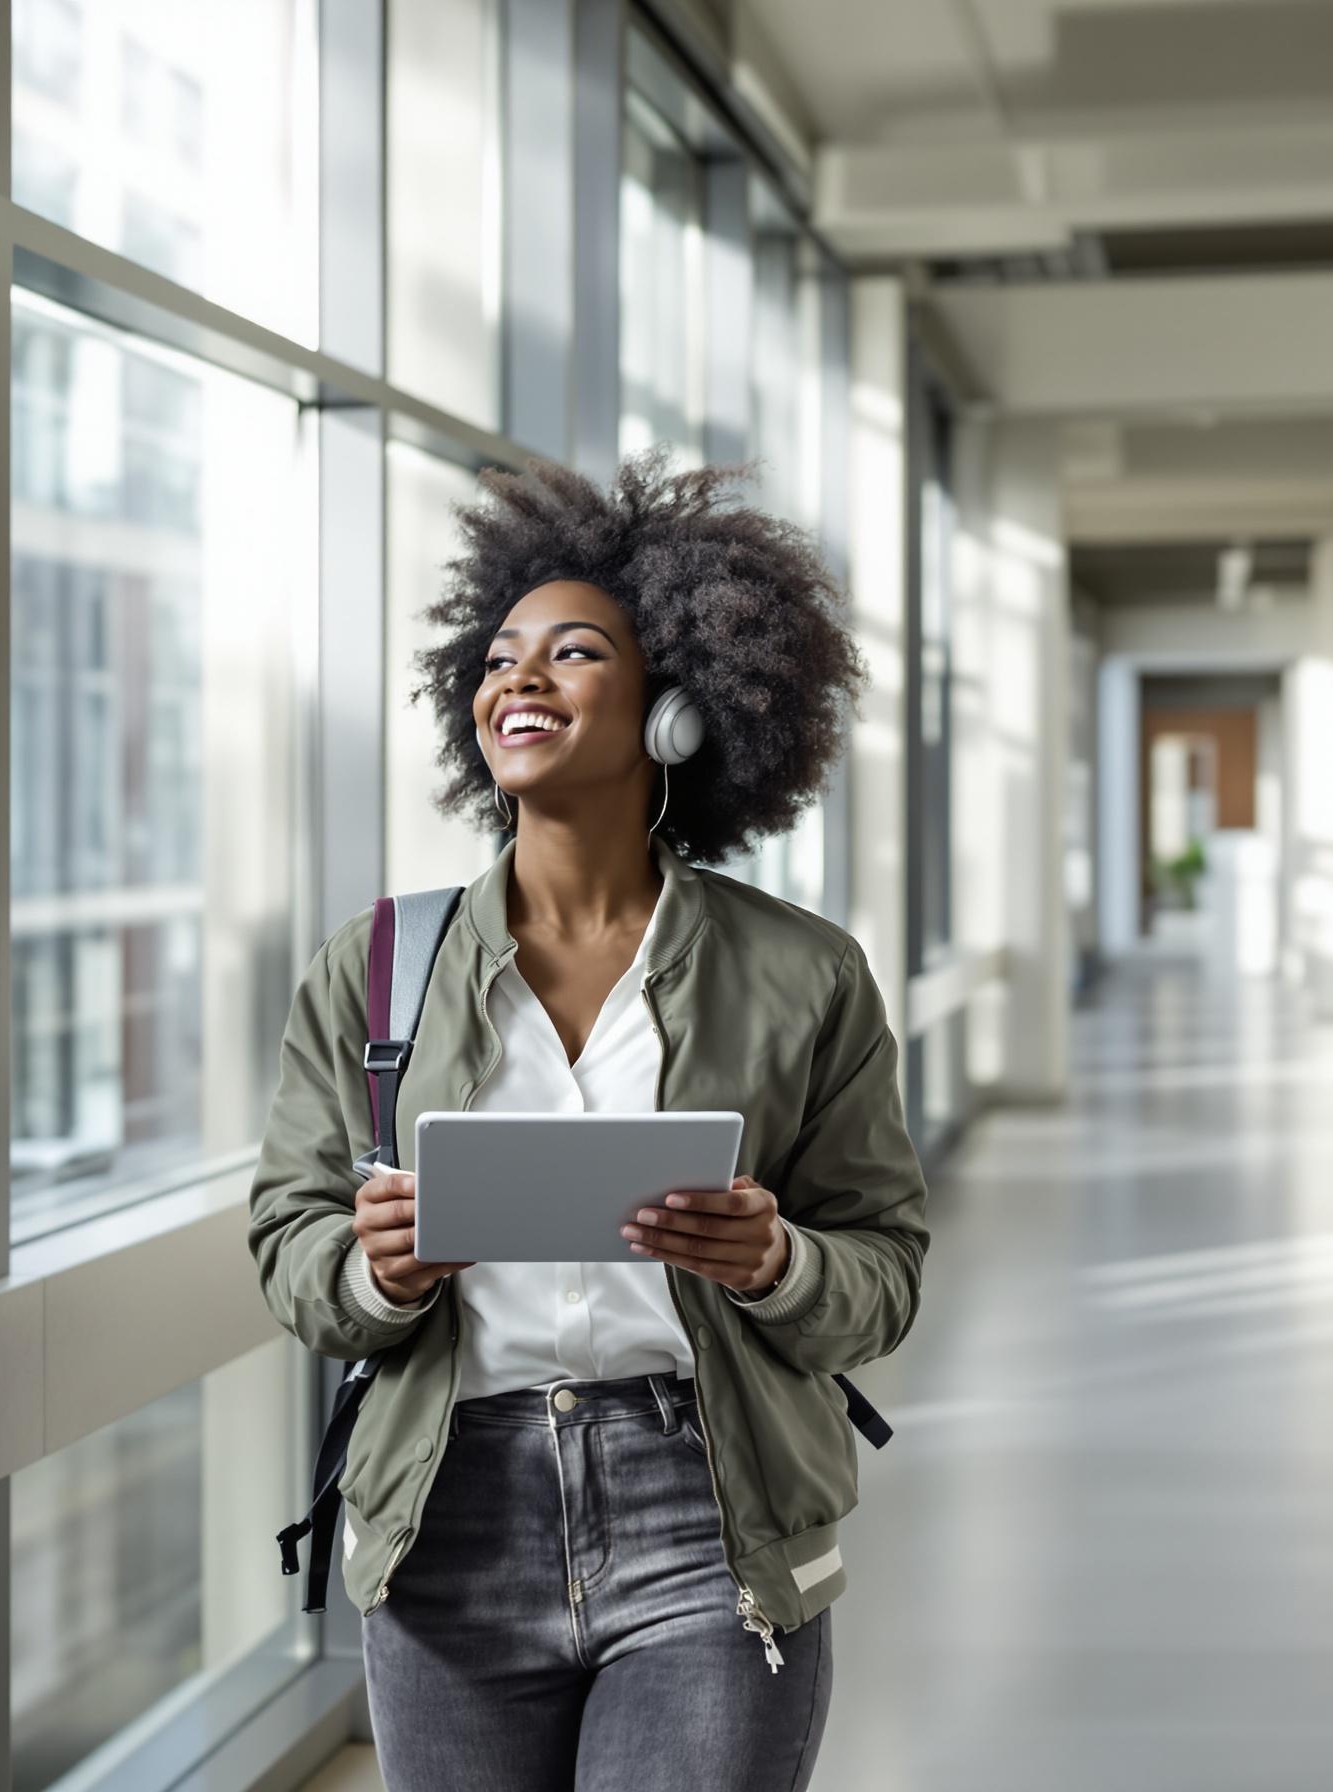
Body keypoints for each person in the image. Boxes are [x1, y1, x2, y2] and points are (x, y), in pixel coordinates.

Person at [248, 452, 930, 1791]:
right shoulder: (377, 967)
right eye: (500, 661)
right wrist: (369, 1268)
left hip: (708, 1509)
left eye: (573, 654)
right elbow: (289, 1248)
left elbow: (885, 1276)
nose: (519, 681)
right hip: (449, 1515)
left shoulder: (805, 974)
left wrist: (774, 1261)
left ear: (678, 704)